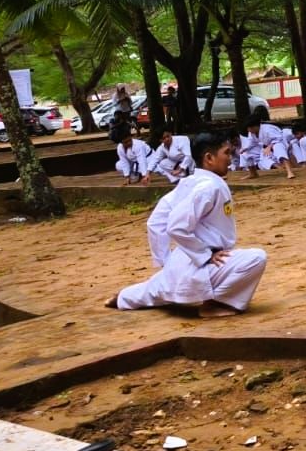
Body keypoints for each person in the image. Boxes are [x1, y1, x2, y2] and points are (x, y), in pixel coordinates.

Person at [110, 131, 268, 317]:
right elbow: (176, 226)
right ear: (209, 158)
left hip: (180, 266)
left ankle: (121, 298)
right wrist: (204, 255)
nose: (230, 157)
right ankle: (216, 304)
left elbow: (156, 221)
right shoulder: (208, 187)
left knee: (153, 289)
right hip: (200, 268)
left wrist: (166, 263)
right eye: (226, 153)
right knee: (257, 258)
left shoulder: (189, 182)